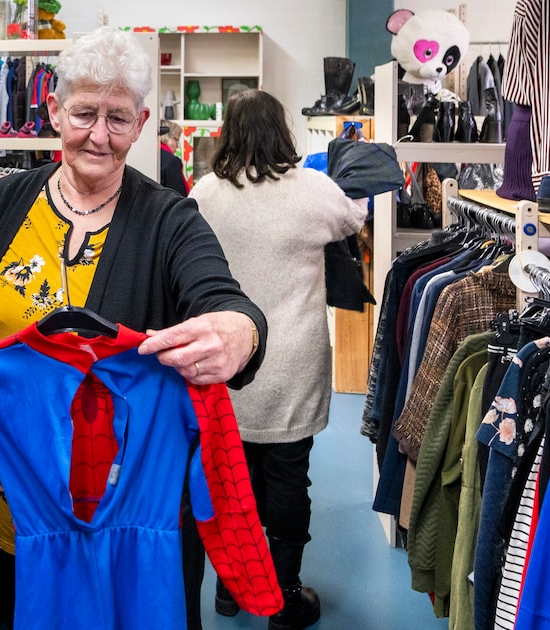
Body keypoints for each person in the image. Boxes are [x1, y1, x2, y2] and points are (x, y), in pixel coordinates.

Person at [0, 26, 269, 630]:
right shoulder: (0, 206)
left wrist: (239, 331)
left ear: (141, 124)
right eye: (84, 113)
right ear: (54, 109)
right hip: (5, 513)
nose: (98, 135)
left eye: (118, 119)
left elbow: (224, 300)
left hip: (122, 534)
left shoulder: (169, 220)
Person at [189, 88, 366, 630]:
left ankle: (228, 587)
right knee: (289, 476)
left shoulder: (205, 193)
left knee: (230, 477)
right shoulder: (312, 189)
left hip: (226, 360)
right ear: (283, 131)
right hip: (291, 359)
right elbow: (352, 220)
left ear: (229, 133)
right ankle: (284, 595)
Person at [160, 121, 190, 195]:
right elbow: (178, 195)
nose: (177, 146)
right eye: (176, 140)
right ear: (166, 137)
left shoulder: (152, 154)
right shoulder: (172, 162)